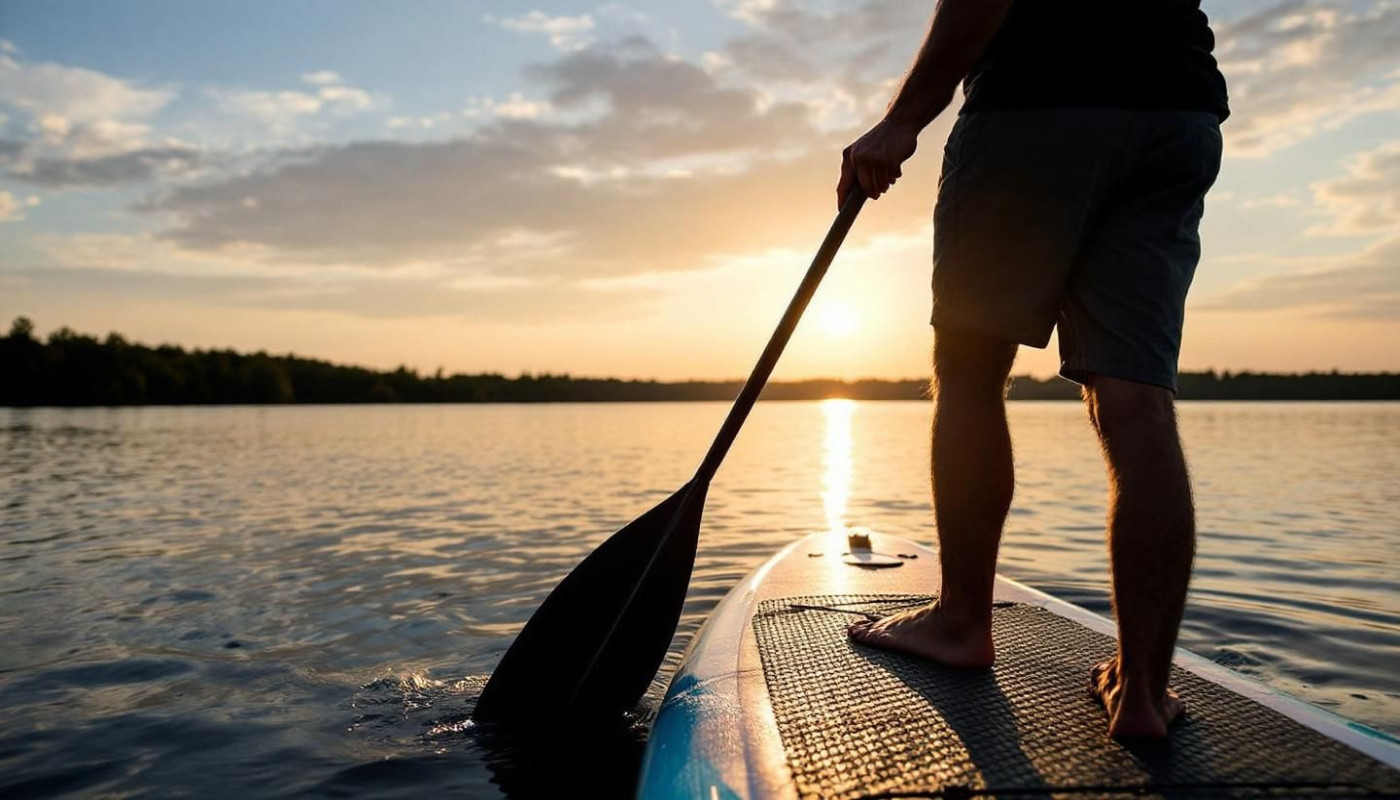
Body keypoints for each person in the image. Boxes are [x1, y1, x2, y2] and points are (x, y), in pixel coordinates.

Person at [840, 0, 1228, 740]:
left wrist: (903, 120)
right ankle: (1142, 689)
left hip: (1038, 105)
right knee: (1137, 399)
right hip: (1177, 114)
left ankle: (961, 622)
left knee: (971, 370)